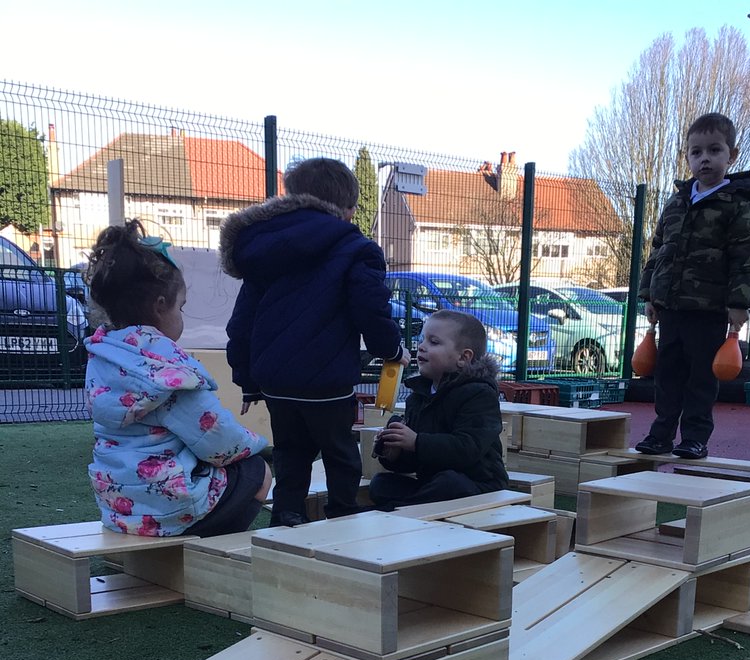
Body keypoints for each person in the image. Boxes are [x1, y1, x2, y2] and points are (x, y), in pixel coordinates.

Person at [220, 157, 410, 524]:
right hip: (327, 379)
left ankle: (288, 514)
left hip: (275, 379)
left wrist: (247, 380)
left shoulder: (267, 247)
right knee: (339, 450)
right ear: (349, 209)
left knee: (290, 450)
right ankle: (341, 513)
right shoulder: (354, 247)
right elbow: (371, 309)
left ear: (291, 199)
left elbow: (242, 319)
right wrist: (391, 350)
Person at [84, 221, 271, 538]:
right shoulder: (165, 370)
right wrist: (258, 444)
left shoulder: (104, 357)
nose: (182, 319)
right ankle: (209, 550)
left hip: (118, 505)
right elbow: (220, 443)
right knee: (257, 471)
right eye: (180, 308)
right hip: (171, 509)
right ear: (160, 307)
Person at [635, 113, 750, 460]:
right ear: (688, 156)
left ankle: (694, 437)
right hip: (672, 308)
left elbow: (745, 257)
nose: (704, 158)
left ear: (731, 155)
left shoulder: (737, 206)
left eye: (714, 150)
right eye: (696, 152)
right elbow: (658, 249)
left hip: (708, 310)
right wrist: (650, 294)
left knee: (702, 377)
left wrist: (739, 304)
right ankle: (660, 434)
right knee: (667, 374)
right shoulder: (677, 202)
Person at [368, 311, 508, 510]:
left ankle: (396, 510)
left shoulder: (479, 394)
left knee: (449, 483)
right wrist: (395, 453)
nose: (422, 347)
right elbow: (416, 461)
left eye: (434, 342)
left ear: (463, 357)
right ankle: (405, 507)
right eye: (423, 339)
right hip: (432, 484)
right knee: (381, 483)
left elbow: (467, 448)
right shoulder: (418, 396)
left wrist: (416, 441)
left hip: (478, 486)